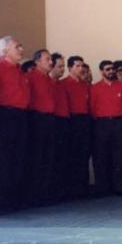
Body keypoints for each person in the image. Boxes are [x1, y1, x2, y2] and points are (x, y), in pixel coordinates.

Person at [0, 36, 30, 212]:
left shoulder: (20, 70)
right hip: (6, 115)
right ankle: (3, 201)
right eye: (17, 47)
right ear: (5, 51)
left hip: (21, 116)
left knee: (19, 157)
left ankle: (16, 199)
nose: (21, 49)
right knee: (5, 158)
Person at [90, 60, 122, 196]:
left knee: (118, 155)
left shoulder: (120, 86)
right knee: (102, 156)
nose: (111, 71)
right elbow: (92, 108)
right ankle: (102, 188)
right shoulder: (95, 88)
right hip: (102, 123)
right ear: (101, 71)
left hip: (118, 122)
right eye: (107, 69)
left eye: (112, 69)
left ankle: (119, 187)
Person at [25, 49, 55, 206]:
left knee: (47, 156)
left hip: (50, 118)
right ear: (37, 61)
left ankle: (44, 193)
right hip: (37, 118)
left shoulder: (49, 80)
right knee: (37, 156)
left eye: (51, 59)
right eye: (47, 59)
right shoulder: (30, 77)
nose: (51, 62)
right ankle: (34, 194)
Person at [61, 55, 91, 199]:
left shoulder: (84, 85)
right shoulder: (64, 84)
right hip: (72, 120)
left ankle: (82, 188)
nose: (80, 69)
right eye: (77, 66)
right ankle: (71, 189)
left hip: (84, 120)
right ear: (70, 68)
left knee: (83, 154)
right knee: (72, 154)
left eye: (81, 66)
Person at [49, 52, 70, 203]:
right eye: (59, 66)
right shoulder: (47, 82)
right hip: (53, 122)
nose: (62, 69)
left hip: (64, 121)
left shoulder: (61, 84)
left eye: (63, 66)